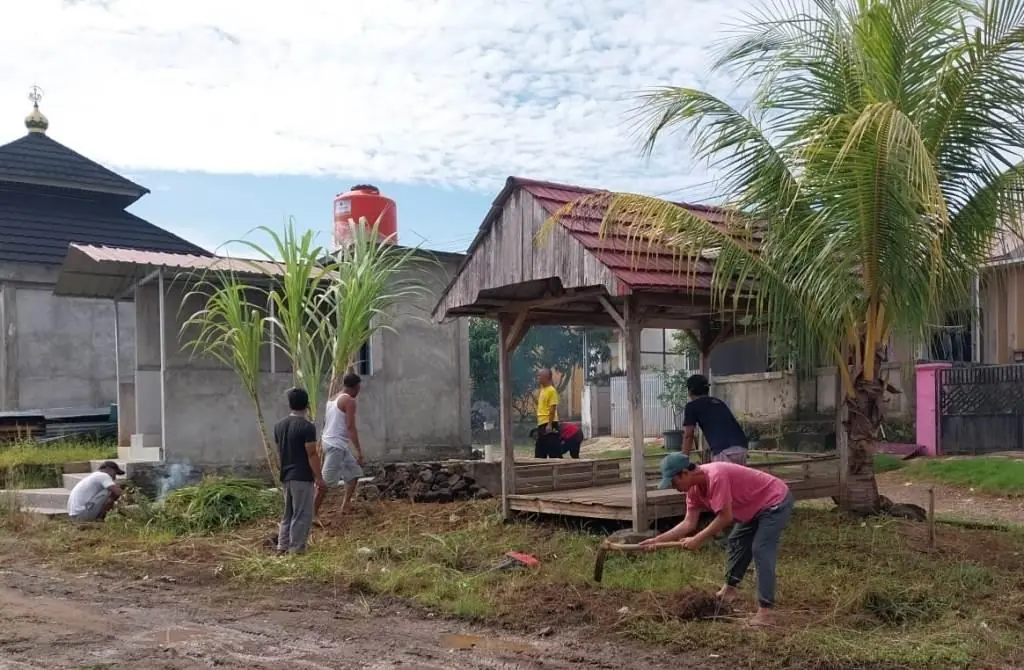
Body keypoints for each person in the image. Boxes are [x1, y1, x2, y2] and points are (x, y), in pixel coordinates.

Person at [641, 452, 794, 627]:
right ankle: (730, 589)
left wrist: (698, 539)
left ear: (685, 473)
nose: (674, 487)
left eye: (674, 482)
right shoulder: (693, 490)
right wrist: (657, 541)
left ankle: (766, 612)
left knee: (761, 548)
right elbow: (688, 523)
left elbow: (726, 517)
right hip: (754, 506)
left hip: (774, 500)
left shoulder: (716, 476)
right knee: (737, 540)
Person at [275, 387, 325, 555]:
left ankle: (282, 546)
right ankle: (296, 549)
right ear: (307, 404)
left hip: (286, 475)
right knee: (302, 514)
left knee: (288, 513)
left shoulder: (279, 426)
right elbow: (312, 454)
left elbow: (279, 452)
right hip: (302, 476)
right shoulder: (307, 427)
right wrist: (319, 477)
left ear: (290, 404)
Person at [315, 372, 365, 518]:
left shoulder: (332, 398)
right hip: (335, 446)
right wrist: (359, 451)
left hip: (334, 443)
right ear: (355, 387)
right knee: (324, 484)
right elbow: (350, 427)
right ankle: (311, 513)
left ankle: (345, 506)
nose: (358, 391)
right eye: (359, 388)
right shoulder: (349, 401)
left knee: (354, 474)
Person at [681, 374, 749, 465]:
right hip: (741, 448)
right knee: (735, 474)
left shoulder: (692, 406)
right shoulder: (718, 402)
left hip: (723, 450)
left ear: (690, 391)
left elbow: (688, 435)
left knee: (720, 474)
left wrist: (682, 460)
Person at [533, 368, 561, 458]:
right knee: (539, 453)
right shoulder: (543, 390)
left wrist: (549, 424)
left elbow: (553, 408)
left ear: (546, 377)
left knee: (554, 453)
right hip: (542, 424)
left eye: (539, 376)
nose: (538, 378)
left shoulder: (551, 390)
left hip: (549, 424)